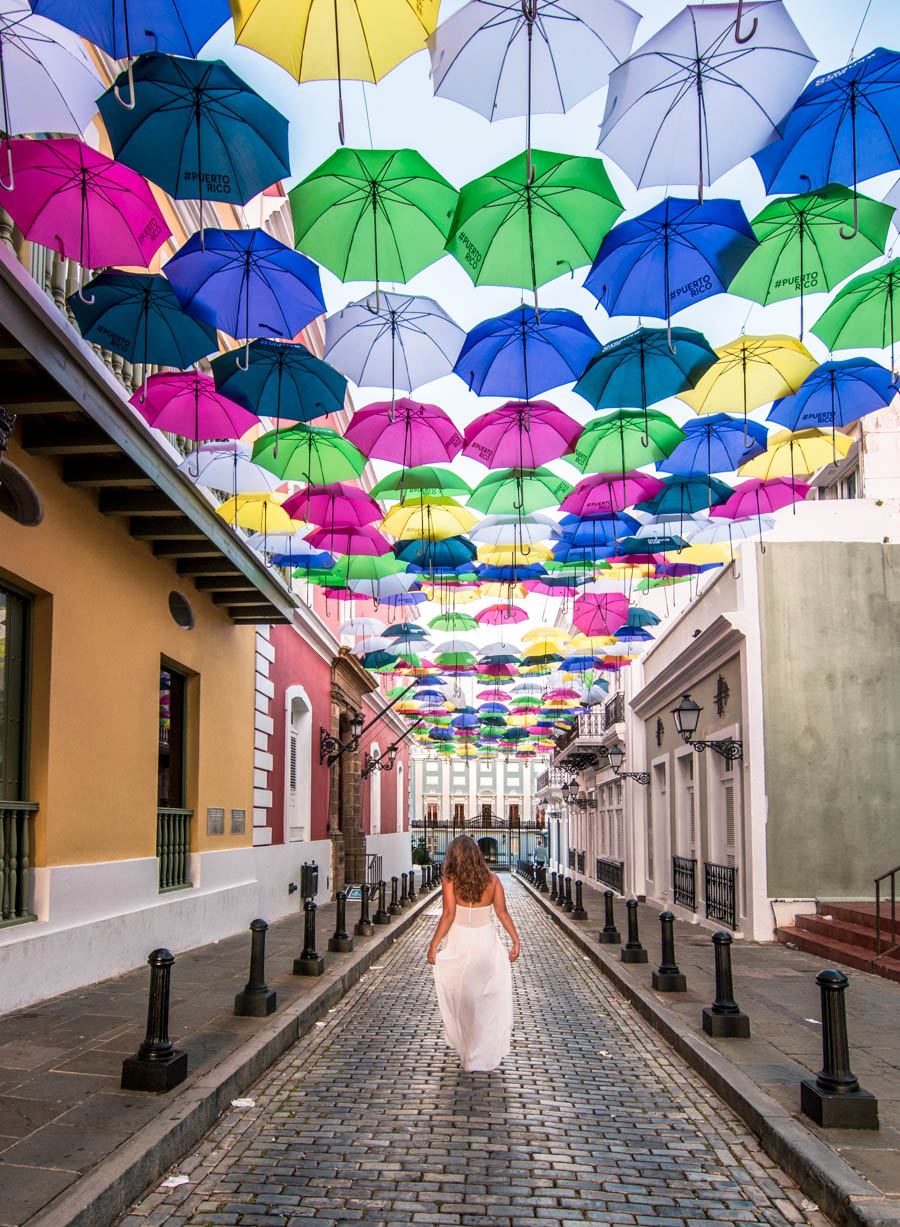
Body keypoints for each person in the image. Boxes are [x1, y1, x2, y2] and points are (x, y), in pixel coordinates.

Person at [427, 835, 520, 1072]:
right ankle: (480, 1049)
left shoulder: (450, 881)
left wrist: (434, 944)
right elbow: (502, 912)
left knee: (463, 998)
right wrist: (516, 940)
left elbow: (448, 915)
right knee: (484, 998)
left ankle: (468, 1051)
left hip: (460, 941)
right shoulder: (492, 880)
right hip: (485, 942)